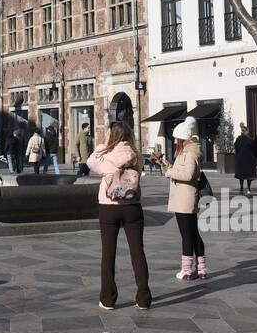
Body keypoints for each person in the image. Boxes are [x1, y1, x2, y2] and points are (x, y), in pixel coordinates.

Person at [85, 120, 151, 311]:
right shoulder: (136, 155)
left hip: (109, 207)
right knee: (138, 252)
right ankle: (144, 298)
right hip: (132, 206)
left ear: (112, 135)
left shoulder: (105, 156)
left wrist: (105, 143)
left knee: (108, 253)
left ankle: (108, 299)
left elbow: (90, 161)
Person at [162, 117, 206, 281]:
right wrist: (169, 167)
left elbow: (188, 175)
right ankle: (201, 268)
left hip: (184, 199)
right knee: (193, 234)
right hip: (185, 197)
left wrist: (169, 172)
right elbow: (185, 172)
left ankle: (186, 270)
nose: (174, 141)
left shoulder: (189, 153)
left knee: (187, 235)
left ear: (182, 139)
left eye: (176, 138)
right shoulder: (188, 152)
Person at [234, 123, 257, 195]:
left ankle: (241, 188)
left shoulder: (238, 139)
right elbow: (254, 149)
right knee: (249, 176)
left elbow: (235, 148)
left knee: (241, 175)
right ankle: (248, 188)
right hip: (249, 159)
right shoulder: (250, 139)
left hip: (240, 159)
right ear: (246, 131)